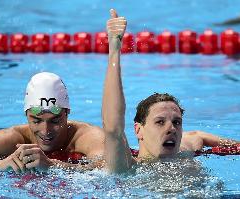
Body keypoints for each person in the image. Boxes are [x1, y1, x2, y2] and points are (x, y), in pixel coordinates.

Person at [102, 9, 239, 173]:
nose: (172, 128)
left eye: (177, 122)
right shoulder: (127, 166)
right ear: (138, 130)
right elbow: (113, 128)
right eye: (160, 122)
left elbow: (198, 136)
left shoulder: (184, 151)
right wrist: (114, 50)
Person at [0, 72, 105, 173]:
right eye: (36, 121)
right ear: (26, 114)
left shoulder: (88, 136)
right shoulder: (11, 138)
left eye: (55, 121)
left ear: (67, 113)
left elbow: (112, 168)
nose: (45, 130)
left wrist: (52, 166)